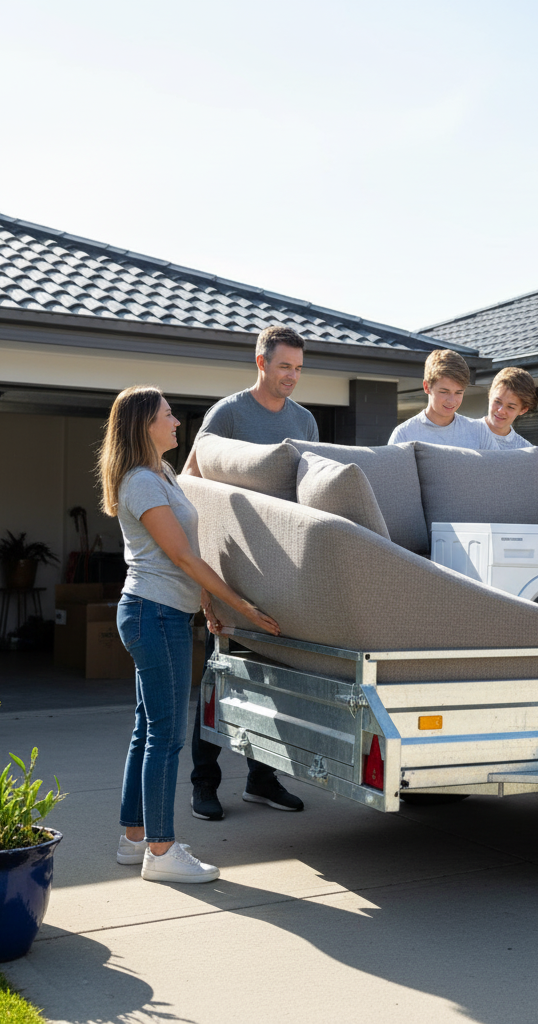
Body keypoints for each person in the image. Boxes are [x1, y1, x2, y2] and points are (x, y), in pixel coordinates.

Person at [100, 385, 280, 883]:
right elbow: (181, 556)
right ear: (143, 425)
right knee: (164, 735)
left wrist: (205, 605)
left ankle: (133, 837)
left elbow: (184, 549)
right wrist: (238, 602)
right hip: (153, 613)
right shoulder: (140, 481)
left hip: (165, 611)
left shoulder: (164, 473)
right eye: (167, 415)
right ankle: (162, 851)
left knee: (147, 729)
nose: (177, 421)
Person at [182, 324, 315, 821]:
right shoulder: (228, 414)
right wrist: (206, 587)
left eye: (299, 369)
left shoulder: (304, 421)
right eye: (284, 366)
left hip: (281, 572)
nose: (292, 377)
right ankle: (204, 783)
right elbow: (190, 490)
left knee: (274, 679)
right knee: (221, 678)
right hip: (233, 569)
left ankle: (262, 779)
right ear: (261, 363)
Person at [388, 349, 495, 447]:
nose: (452, 400)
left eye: (458, 393)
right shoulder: (404, 435)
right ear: (426, 387)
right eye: (444, 392)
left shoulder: (480, 433)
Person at [482, 367, 538, 450]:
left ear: (523, 410)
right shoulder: (462, 432)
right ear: (489, 395)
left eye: (510, 407)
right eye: (497, 401)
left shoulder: (525, 451)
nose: (501, 410)